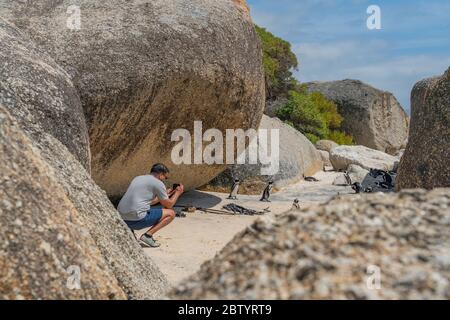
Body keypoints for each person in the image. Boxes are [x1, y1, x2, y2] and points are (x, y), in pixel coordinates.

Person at [117, 163, 184, 247]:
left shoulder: (138, 178)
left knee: (141, 208)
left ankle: (129, 231)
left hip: (121, 217)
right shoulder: (159, 183)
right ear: (160, 175)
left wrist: (164, 195)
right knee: (171, 213)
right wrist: (178, 193)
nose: (164, 180)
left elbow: (148, 202)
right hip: (135, 219)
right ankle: (147, 236)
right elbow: (169, 205)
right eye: (165, 177)